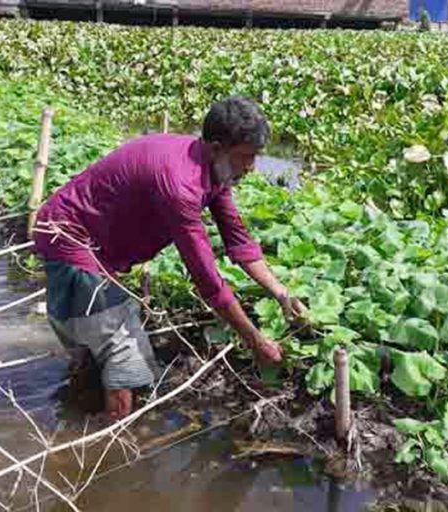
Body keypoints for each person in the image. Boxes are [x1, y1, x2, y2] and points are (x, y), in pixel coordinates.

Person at [33, 96, 306, 420]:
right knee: (125, 357)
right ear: (217, 147)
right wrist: (255, 341)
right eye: (245, 157)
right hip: (70, 239)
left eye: (255, 157)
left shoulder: (214, 170)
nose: (251, 167)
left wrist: (281, 293)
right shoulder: (179, 184)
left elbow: (239, 240)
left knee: (97, 348)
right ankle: (109, 449)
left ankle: (81, 405)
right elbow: (208, 280)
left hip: (99, 247)